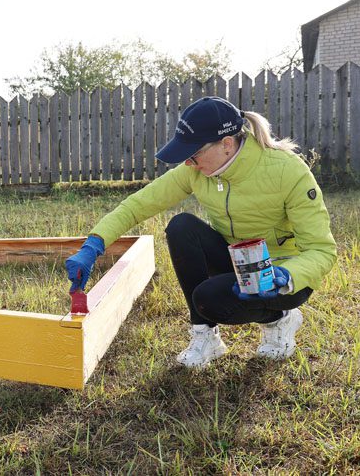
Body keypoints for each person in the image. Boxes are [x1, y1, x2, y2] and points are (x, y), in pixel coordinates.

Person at [65, 96, 337, 368]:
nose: (188, 164)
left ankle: (280, 319)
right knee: (181, 226)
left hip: (281, 274)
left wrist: (288, 276)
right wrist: (93, 246)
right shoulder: (197, 171)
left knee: (208, 299)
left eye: (193, 154)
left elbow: (322, 250)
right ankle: (206, 338)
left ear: (226, 144)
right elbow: (137, 205)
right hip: (236, 262)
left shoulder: (288, 170)